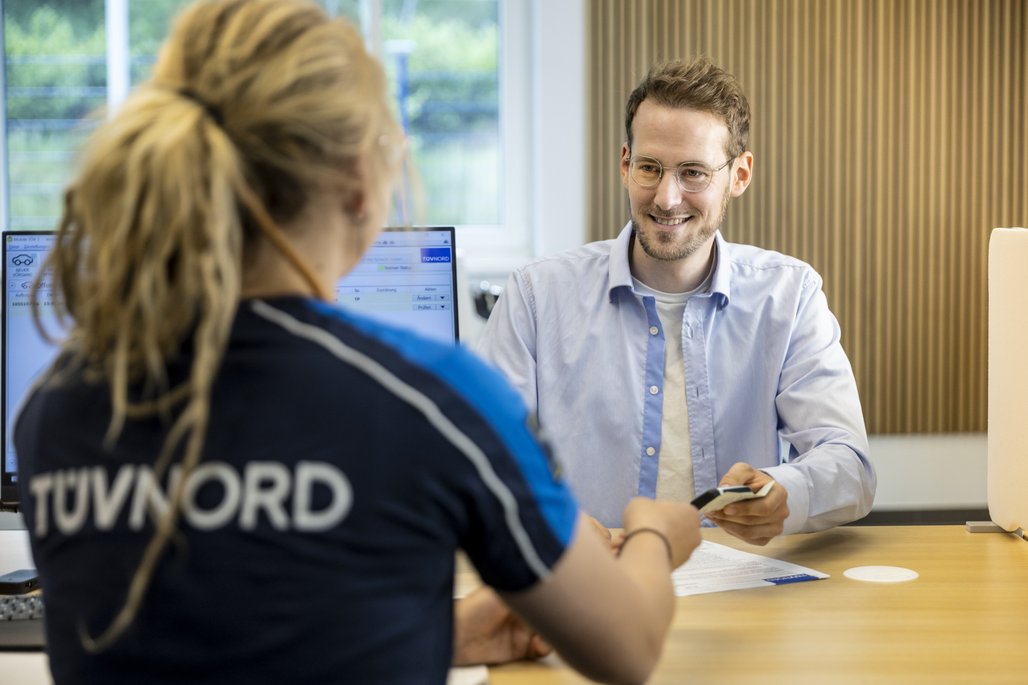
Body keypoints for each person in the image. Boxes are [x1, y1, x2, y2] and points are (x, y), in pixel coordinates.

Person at [13, 2, 702, 683]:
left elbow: (216, 632)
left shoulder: (56, 408)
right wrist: (653, 532)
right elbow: (626, 643)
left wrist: (444, 635)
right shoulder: (434, 397)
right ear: (358, 186)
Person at [477, 57, 875, 546]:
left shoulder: (789, 296)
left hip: (742, 592)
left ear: (740, 175)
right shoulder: (535, 297)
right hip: (587, 587)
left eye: (693, 173)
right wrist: (547, 518)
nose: (666, 198)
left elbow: (850, 465)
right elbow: (482, 456)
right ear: (625, 165)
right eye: (650, 168)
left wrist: (785, 492)